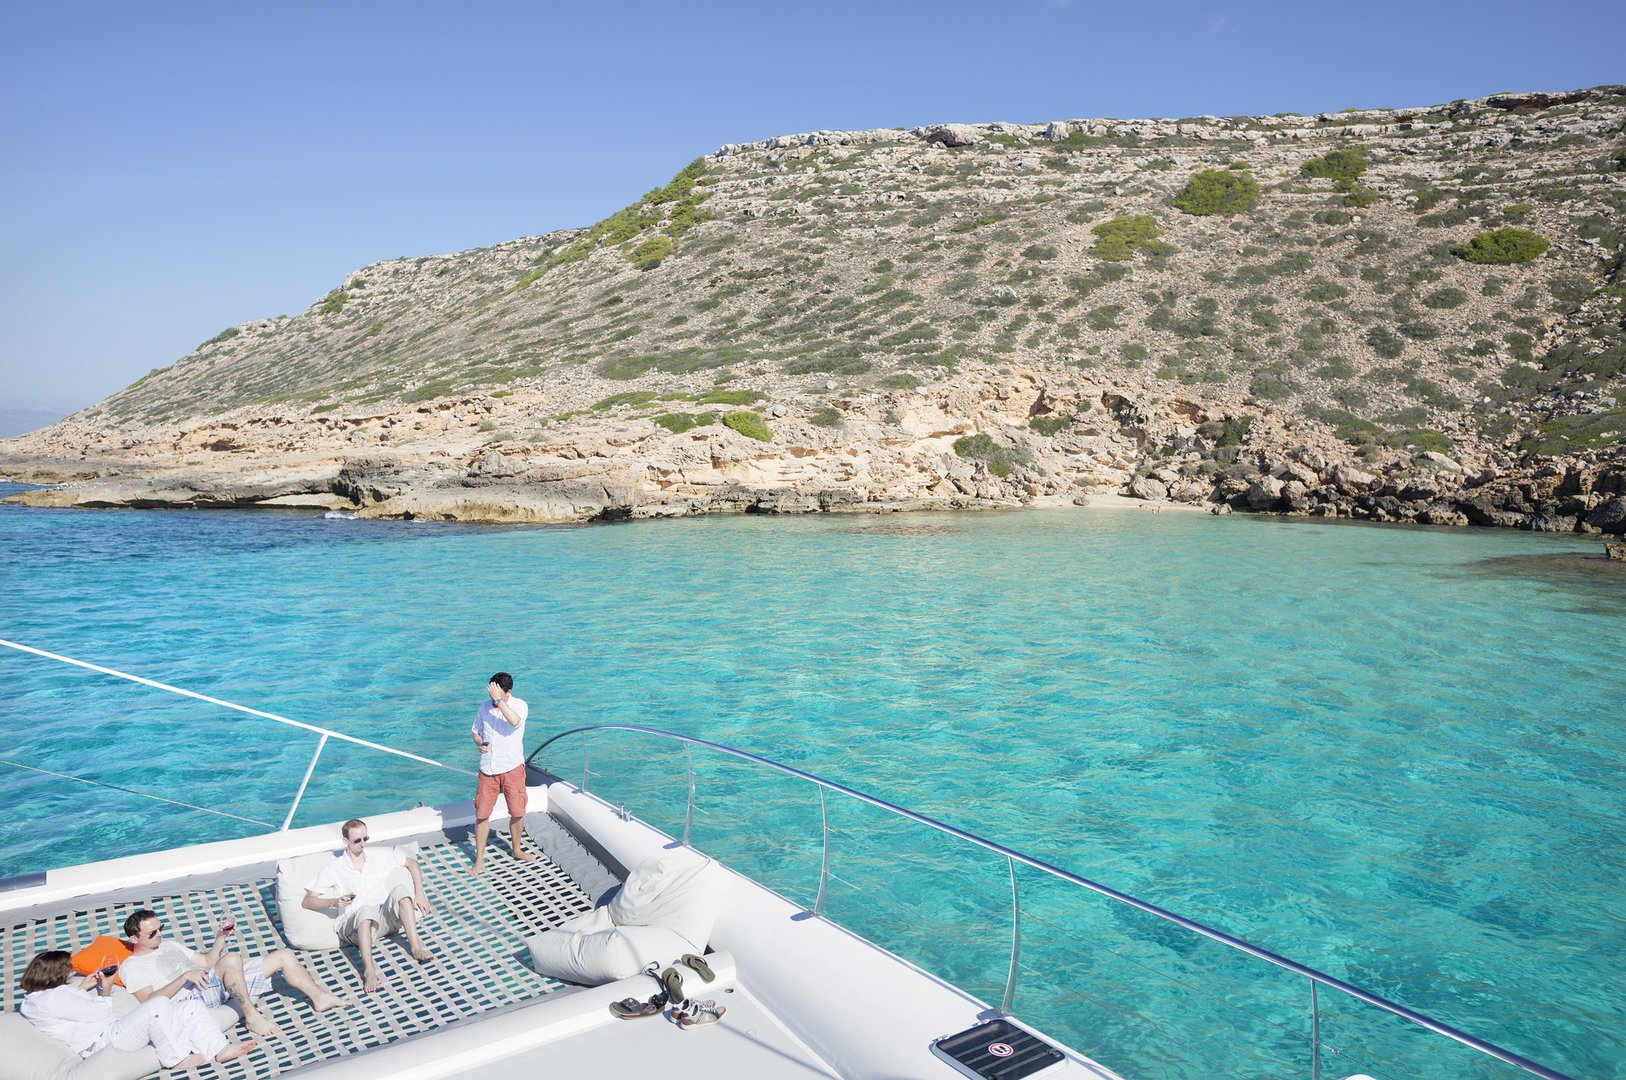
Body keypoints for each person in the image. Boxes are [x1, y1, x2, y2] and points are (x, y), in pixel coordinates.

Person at [119, 908, 350, 1037]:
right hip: (189, 997)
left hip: (206, 981)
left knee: (283, 955)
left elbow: (208, 962)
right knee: (231, 960)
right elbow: (149, 1002)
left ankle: (319, 998)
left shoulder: (169, 945)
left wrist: (222, 935)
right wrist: (183, 978)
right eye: (152, 933)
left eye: (161, 928)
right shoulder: (132, 966)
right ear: (134, 938)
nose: (159, 934)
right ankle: (252, 1018)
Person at [20, 949, 253, 1070]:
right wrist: (106, 990)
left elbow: (68, 1011)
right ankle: (177, 1058)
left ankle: (219, 1048)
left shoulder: (39, 998)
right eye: (66, 971)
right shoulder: (51, 997)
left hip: (114, 1030)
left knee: (188, 1005)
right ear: (54, 974)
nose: (69, 973)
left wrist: (81, 989)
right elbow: (98, 1013)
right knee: (158, 1005)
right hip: (103, 1042)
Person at [302, 818, 434, 993]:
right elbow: (308, 900)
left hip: (382, 919)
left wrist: (419, 893)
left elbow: (412, 863)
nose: (362, 844)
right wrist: (334, 902)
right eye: (357, 840)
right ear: (345, 841)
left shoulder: (377, 856)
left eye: (365, 839)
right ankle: (369, 970)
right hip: (352, 925)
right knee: (364, 911)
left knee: (401, 890)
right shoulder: (334, 868)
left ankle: (416, 948)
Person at [469, 670, 536, 874]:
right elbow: (475, 731)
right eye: (491, 693)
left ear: (507, 692)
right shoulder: (483, 708)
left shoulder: (519, 705)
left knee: (517, 811)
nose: (491, 697)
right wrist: (479, 742)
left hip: (512, 768)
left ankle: (516, 849)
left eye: (497, 693)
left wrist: (499, 702)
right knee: (482, 814)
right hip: (488, 769)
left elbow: (514, 721)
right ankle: (479, 859)